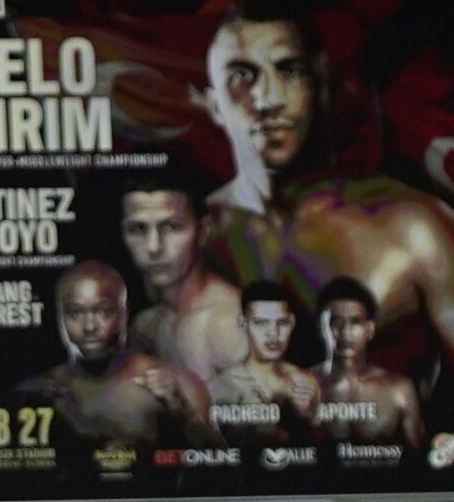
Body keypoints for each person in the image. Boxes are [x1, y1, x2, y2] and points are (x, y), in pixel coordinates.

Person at [197, 0, 454, 403]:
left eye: (289, 70)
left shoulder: (413, 227)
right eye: (242, 76)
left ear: (320, 81)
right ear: (214, 104)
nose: (268, 99)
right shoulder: (188, 240)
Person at [20, 262, 214, 448]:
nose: (89, 326)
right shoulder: (39, 391)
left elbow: (223, 469)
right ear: (61, 316)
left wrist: (184, 411)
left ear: (124, 313)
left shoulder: (177, 386)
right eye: (75, 313)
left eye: (102, 311)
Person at [118, 185, 245, 384]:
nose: (153, 247)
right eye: (138, 229)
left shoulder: (230, 322)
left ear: (204, 230)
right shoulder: (145, 325)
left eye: (170, 227)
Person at [314, 276, 427, 454]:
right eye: (336, 322)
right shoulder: (299, 384)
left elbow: (419, 461)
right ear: (321, 328)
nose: (346, 333)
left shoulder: (399, 389)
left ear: (370, 330)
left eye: (355, 322)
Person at [203, 278, 320, 441]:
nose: (273, 333)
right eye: (261, 323)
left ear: (292, 323)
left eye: (282, 322)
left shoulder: (307, 383)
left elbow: (327, 451)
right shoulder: (219, 386)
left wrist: (308, 417)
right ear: (243, 323)